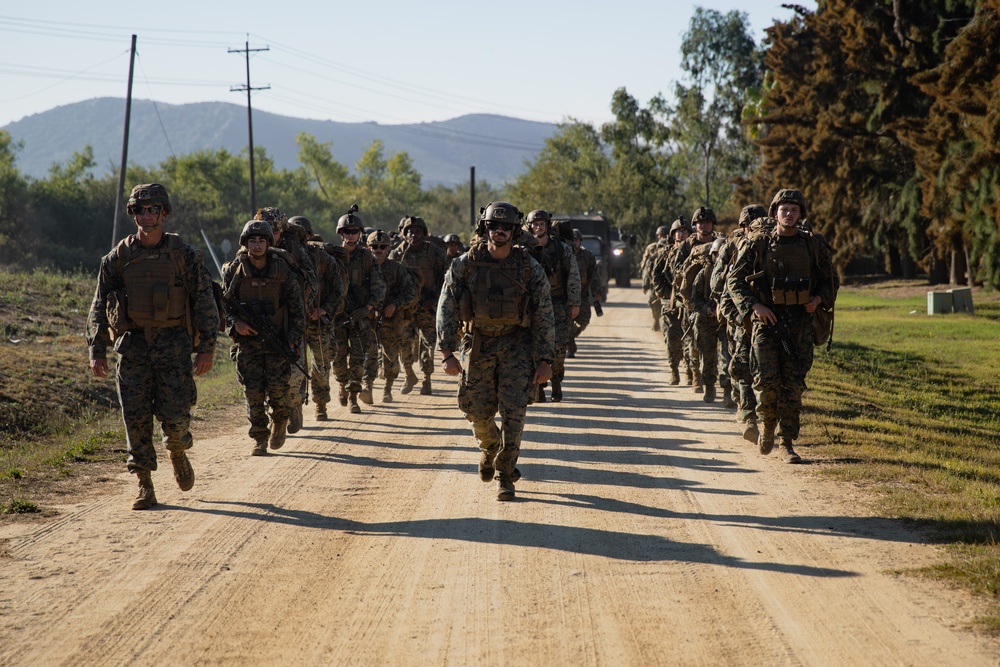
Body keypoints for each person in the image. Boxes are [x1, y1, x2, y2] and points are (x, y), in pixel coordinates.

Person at [87, 183, 218, 510]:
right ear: (133, 214)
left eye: (152, 209)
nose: (146, 216)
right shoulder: (117, 258)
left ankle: (177, 450)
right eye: (139, 210)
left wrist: (207, 348)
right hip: (133, 348)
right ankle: (144, 483)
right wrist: (96, 349)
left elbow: (205, 302)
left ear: (164, 213)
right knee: (136, 418)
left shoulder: (184, 256)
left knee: (176, 419)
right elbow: (99, 305)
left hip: (174, 345)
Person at [437, 201, 555, 501]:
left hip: (518, 345)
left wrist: (545, 360)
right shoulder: (465, 264)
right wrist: (447, 352)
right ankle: (490, 447)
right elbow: (447, 305)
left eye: (506, 227)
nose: (499, 231)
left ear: (515, 232)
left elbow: (544, 313)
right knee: (475, 411)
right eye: (493, 226)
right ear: (484, 228)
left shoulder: (529, 268)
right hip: (479, 343)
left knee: (515, 412)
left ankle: (505, 475)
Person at [728, 189, 836, 463]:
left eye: (794, 210)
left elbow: (831, 281)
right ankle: (766, 428)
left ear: (801, 214)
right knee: (766, 383)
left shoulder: (813, 246)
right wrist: (755, 306)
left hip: (800, 326)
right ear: (775, 212)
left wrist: (818, 299)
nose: (789, 214)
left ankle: (786, 443)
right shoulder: (758, 244)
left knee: (793, 386)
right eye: (784, 209)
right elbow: (734, 281)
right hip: (767, 325)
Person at [222, 221, 306, 456]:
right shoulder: (234, 271)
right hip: (248, 344)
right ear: (245, 243)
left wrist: (292, 340)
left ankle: (279, 422)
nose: (257, 245)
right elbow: (224, 306)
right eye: (252, 241)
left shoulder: (282, 271)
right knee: (253, 392)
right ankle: (259, 437)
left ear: (268, 243)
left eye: (261, 240)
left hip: (277, 341)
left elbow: (297, 309)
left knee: (278, 391)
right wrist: (235, 323)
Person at [253, 207, 318, 435]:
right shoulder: (252, 248)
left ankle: (294, 404)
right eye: (264, 230)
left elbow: (311, 282)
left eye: (274, 231)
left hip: (290, 322)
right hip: (260, 325)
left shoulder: (295, 251)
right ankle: (273, 422)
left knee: (293, 375)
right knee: (262, 381)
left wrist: (298, 309)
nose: (269, 235)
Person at [715, 204, 768, 440]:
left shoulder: (772, 246)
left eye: (759, 225)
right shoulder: (733, 248)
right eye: (750, 226)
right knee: (742, 366)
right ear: (743, 227)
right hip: (742, 320)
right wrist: (741, 316)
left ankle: (768, 418)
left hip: (771, 320)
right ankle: (748, 415)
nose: (755, 230)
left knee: (766, 371)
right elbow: (719, 285)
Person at [288, 215, 345, 421]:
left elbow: (338, 289)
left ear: (310, 235)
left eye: (302, 234)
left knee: (321, 363)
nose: (298, 239)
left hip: (317, 321)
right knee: (295, 365)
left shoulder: (321, 258)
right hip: (294, 322)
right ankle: (295, 404)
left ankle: (320, 404)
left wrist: (324, 309)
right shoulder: (283, 257)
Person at [330, 205, 386, 413]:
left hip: (359, 315)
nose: (351, 235)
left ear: (360, 234)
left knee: (358, 357)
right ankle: (342, 385)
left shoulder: (367, 258)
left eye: (354, 231)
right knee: (337, 356)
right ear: (341, 233)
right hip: (336, 315)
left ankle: (353, 395)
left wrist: (368, 307)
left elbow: (379, 285)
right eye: (347, 231)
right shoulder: (332, 256)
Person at [524, 209, 580, 402]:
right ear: (530, 226)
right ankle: (538, 386)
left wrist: (574, 303)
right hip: (532, 306)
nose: (538, 227)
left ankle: (556, 382)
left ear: (548, 226)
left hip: (558, 305)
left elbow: (573, 276)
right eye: (535, 224)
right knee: (532, 347)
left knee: (557, 349)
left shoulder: (561, 248)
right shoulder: (524, 249)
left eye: (542, 224)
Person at [390, 216, 448, 396]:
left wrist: (437, 298)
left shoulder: (435, 252)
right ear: (404, 234)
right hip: (406, 307)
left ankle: (427, 379)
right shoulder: (398, 253)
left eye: (417, 231)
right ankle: (409, 374)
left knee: (427, 344)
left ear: (423, 233)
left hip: (427, 307)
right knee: (404, 342)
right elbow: (390, 280)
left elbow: (447, 278)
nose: (413, 234)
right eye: (409, 231)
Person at [369, 229, 418, 403]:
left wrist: (395, 304)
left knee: (391, 354)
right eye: (375, 246)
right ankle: (364, 387)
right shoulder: (364, 267)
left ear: (389, 249)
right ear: (369, 248)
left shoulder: (397, 269)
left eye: (382, 246)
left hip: (391, 319)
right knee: (367, 354)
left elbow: (410, 292)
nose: (378, 250)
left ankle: (387, 388)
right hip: (368, 318)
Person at [650, 217, 693, 385]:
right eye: (678, 232)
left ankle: (690, 370)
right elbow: (657, 277)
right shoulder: (665, 254)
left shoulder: (695, 252)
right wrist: (668, 295)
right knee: (671, 338)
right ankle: (674, 370)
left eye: (685, 231)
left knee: (690, 339)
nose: (681, 234)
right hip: (670, 303)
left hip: (689, 303)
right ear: (673, 235)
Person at [569, 228, 600, 358]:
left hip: (582, 296)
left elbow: (594, 276)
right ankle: (569, 346)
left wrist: (596, 293)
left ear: (580, 241)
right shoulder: (564, 254)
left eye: (576, 240)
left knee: (584, 321)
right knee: (565, 324)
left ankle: (569, 338)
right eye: (572, 240)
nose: (574, 242)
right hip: (566, 297)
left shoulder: (588, 256)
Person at [641, 225, 671, 332]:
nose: (662, 237)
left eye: (664, 235)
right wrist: (645, 284)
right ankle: (656, 320)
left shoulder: (673, 246)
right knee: (653, 302)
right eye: (660, 235)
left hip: (668, 282)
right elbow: (646, 267)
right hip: (654, 281)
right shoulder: (652, 248)